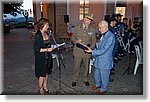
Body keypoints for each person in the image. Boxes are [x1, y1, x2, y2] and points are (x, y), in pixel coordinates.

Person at [85, 21, 115, 94]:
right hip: (98, 59)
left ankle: (104, 89)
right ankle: (98, 85)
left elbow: (104, 50)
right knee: (96, 74)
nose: (99, 29)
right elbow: (99, 47)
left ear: (105, 27)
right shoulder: (103, 34)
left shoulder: (111, 36)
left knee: (104, 76)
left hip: (105, 60)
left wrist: (92, 52)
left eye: (100, 27)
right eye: (98, 27)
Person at [71, 13, 96, 87]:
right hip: (78, 51)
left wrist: (90, 49)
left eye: (90, 21)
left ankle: (85, 79)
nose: (89, 22)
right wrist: (76, 41)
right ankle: (74, 79)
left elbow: (94, 41)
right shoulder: (77, 28)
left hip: (87, 52)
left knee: (86, 67)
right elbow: (72, 38)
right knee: (76, 66)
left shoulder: (92, 30)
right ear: (84, 19)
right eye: (88, 20)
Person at [34, 18, 54, 95]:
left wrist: (52, 47)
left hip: (48, 56)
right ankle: (41, 89)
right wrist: (47, 50)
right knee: (42, 74)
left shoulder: (46, 33)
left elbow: (48, 44)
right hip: (41, 57)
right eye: (47, 25)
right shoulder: (38, 36)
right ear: (42, 25)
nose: (48, 26)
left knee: (46, 72)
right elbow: (37, 49)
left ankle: (45, 86)